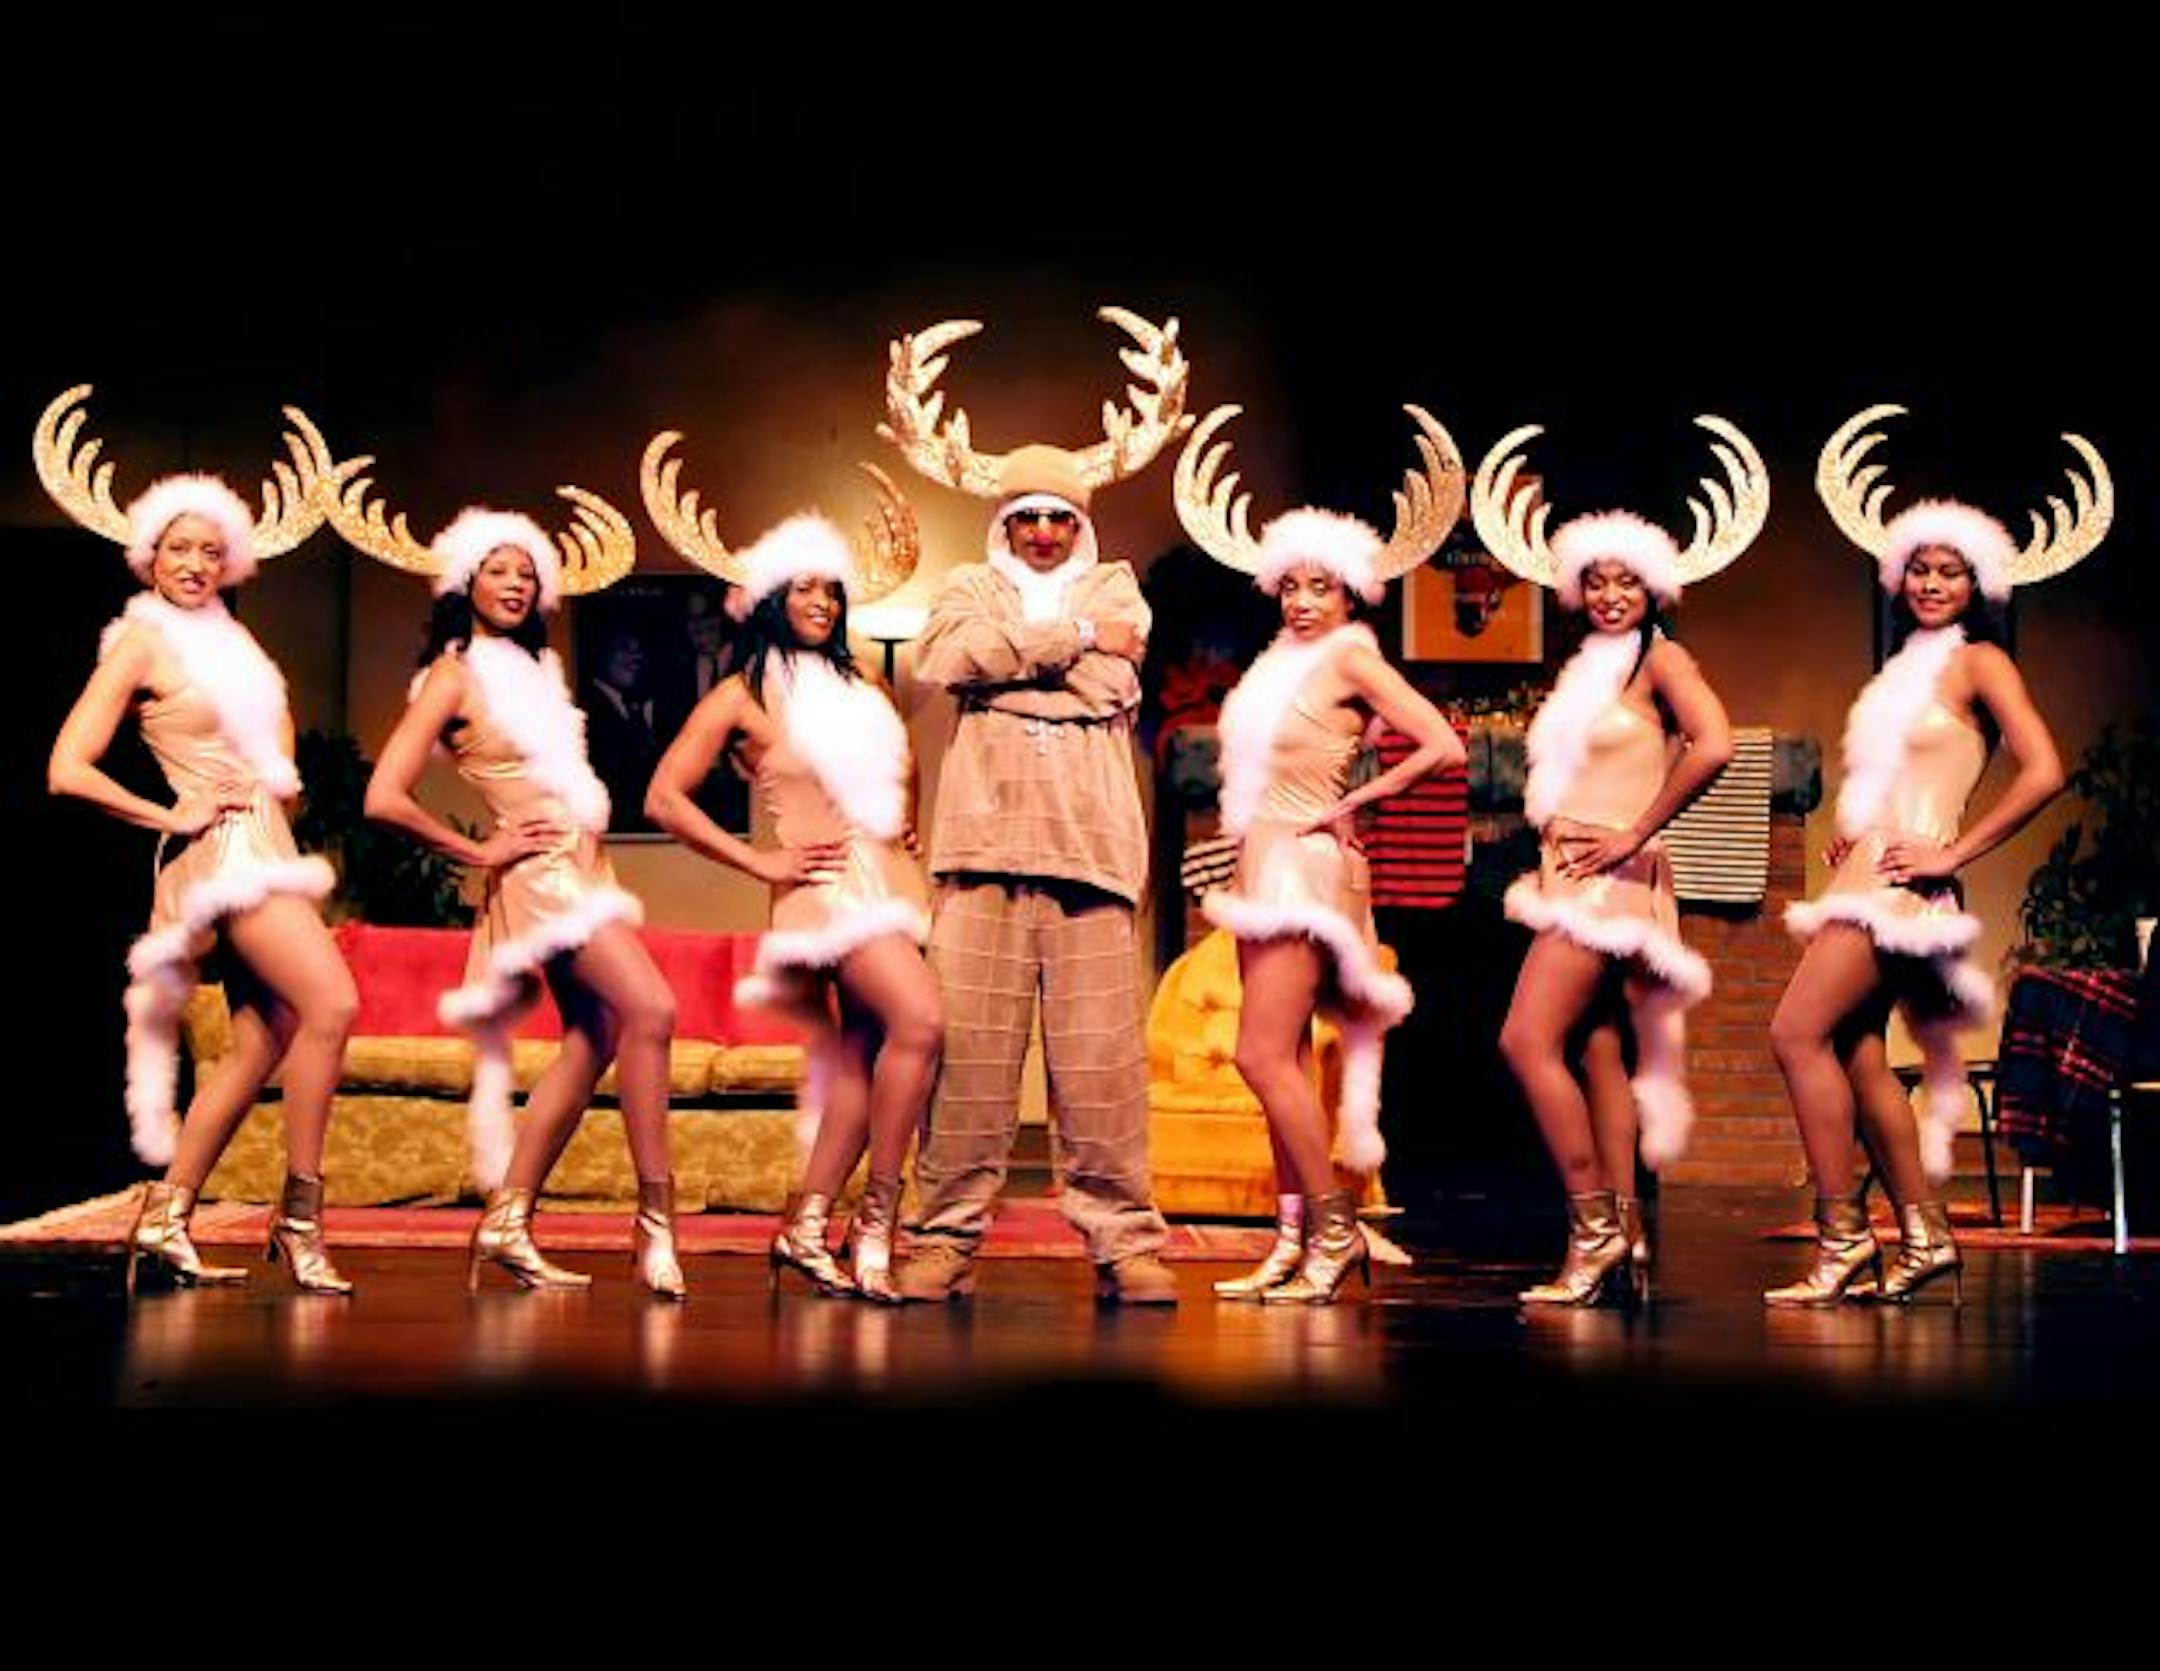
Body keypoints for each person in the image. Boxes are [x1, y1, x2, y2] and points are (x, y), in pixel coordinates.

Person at [876, 308, 1190, 1303]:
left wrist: (1016, 666)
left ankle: (1125, 1244)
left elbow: (1114, 686)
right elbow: (945, 661)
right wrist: (1064, 644)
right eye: (1028, 520)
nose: (1045, 533)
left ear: (1079, 526)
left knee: (1100, 1070)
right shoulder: (967, 585)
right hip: (980, 854)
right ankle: (944, 1240)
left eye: (1059, 517)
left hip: (1094, 855)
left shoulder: (1118, 585)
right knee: (968, 1068)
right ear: (1003, 528)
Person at [1766, 406, 2109, 1306]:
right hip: (1866, 869)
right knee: (1855, 1053)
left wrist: (1950, 849)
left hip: (1896, 889)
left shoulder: (1981, 662)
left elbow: (2044, 769)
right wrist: (1858, 818)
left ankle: (1844, 1239)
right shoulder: (1903, 673)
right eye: (1918, 565)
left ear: (1979, 583)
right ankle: (1924, 1236)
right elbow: (1902, 769)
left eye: (1949, 569)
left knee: (1794, 1034)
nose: (1929, 580)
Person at [322, 458, 687, 1298]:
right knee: (653, 1010)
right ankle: (654, 1223)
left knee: (594, 1036)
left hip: (587, 868)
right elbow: (383, 794)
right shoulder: (453, 674)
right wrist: (483, 853)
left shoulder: (539, 673)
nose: (516, 583)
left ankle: (508, 1218)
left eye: (528, 571)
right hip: (542, 878)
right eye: (498, 568)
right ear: (464, 582)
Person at [38, 387, 358, 1294]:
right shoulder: (140, 645)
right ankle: (300, 1221)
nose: (196, 563)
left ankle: (168, 1215)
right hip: (221, 856)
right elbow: (67, 766)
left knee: (264, 1035)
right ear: (149, 556)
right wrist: (171, 813)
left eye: (212, 551)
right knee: (332, 1004)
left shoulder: (236, 644)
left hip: (266, 843)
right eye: (180, 547)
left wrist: (275, 775)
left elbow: (282, 730)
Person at [1173, 402, 1468, 1302]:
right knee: (1287, 1057)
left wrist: (1360, 799)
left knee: (1261, 1055)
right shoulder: (1275, 665)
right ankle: (1292, 1239)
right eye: (1292, 586)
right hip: (1266, 866)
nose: (1304, 601)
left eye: (1321, 588)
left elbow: (1442, 745)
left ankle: (1336, 1233)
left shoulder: (1351, 657)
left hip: (1307, 869)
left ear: (1349, 596)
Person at [1470, 417, 1766, 1304]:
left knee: (1525, 1039)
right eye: (1594, 580)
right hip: (1571, 874)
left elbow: (1713, 744)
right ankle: (1627, 1238)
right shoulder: (1587, 670)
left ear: (1654, 588)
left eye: (1624, 580)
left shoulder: (1660, 658)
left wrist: (1636, 832)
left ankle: (1592, 1230)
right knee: (1598, 1049)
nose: (1608, 594)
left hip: (1609, 879)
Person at [639, 450, 938, 1301]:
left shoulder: (866, 677)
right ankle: (875, 1223)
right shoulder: (741, 694)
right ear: (771, 598)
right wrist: (761, 860)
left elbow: (896, 764)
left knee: (861, 1055)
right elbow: (664, 795)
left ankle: (803, 1228)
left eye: (832, 591)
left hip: (892, 884)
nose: (821, 602)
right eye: (804, 588)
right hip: (826, 895)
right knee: (921, 1021)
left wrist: (901, 812)